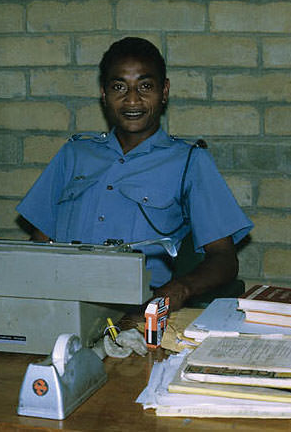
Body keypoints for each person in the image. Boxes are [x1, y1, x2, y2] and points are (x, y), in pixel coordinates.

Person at [16, 37, 253, 311]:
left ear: (164, 92)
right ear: (104, 94)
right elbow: (39, 244)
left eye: (145, 86)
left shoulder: (188, 161)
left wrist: (180, 289)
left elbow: (224, 258)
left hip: (135, 309)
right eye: (119, 87)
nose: (132, 99)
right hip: (61, 301)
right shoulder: (75, 154)